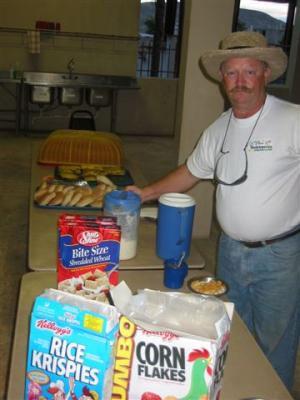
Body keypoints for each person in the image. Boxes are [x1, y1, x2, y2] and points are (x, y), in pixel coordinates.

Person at [126, 31, 300, 392]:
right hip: (231, 251)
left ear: (265, 72)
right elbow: (191, 172)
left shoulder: (292, 119)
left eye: (249, 72)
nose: (240, 82)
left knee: (276, 342)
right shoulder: (218, 128)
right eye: (232, 73)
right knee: (233, 333)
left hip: (280, 256)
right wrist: (146, 193)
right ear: (222, 77)